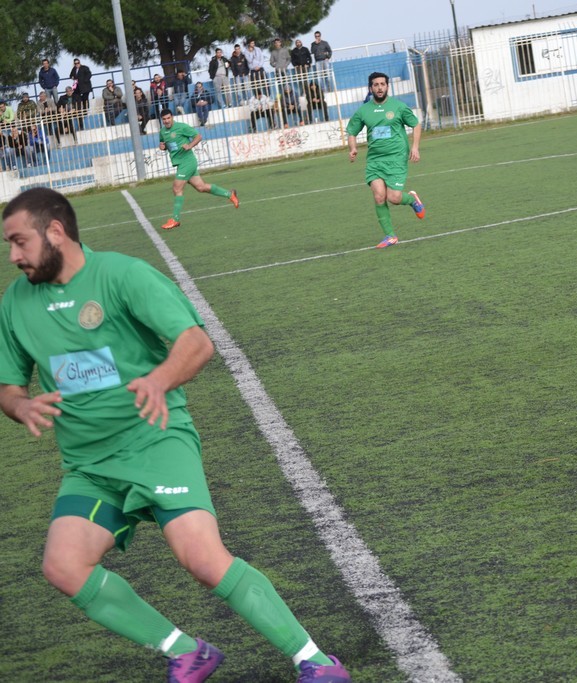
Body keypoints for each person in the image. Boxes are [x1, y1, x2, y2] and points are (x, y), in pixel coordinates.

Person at [0, 187, 353, 683]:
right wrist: (20, 405)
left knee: (203, 559)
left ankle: (314, 660)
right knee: (63, 566)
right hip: (89, 465)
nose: (13, 256)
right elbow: (8, 386)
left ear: (55, 231)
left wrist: (159, 380)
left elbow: (196, 342)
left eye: (19, 241)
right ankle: (186, 651)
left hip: (155, 441)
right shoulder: (15, 303)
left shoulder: (123, 275)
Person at [346, 72, 425, 249]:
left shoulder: (398, 106)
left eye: (382, 84)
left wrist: (415, 147)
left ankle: (412, 200)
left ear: (387, 86)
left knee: (394, 198)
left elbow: (415, 124)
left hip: (396, 158)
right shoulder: (364, 110)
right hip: (375, 161)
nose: (380, 87)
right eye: (376, 85)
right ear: (370, 88)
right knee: (379, 196)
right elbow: (352, 131)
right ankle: (390, 236)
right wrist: (352, 148)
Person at [157, 110, 239, 230]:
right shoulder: (162, 132)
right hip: (181, 164)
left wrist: (189, 146)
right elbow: (164, 144)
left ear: (172, 117)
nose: (166, 121)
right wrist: (162, 147)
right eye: (164, 119)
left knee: (177, 188)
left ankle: (175, 219)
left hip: (187, 161)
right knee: (201, 187)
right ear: (162, 120)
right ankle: (229, 194)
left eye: (168, 118)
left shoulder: (182, 127)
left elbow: (198, 136)